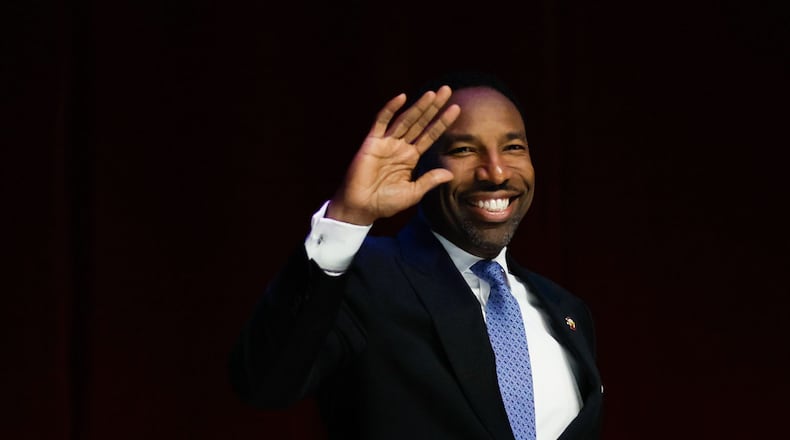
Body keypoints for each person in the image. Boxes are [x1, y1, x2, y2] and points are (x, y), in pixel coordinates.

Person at [229, 71, 603, 439]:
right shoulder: (364, 279)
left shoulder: (566, 309)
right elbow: (266, 383)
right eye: (464, 150)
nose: (496, 171)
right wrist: (348, 216)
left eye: (513, 147)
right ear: (419, 164)